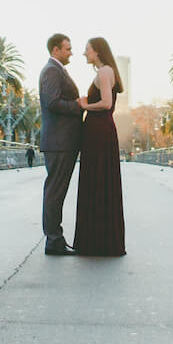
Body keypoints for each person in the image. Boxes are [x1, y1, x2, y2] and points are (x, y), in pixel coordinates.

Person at [73, 36, 126, 257]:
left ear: (97, 51)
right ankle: (99, 240)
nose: (84, 53)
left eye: (87, 49)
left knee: (97, 179)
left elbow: (106, 103)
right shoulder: (104, 72)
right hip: (99, 131)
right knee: (99, 180)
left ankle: (96, 241)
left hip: (99, 131)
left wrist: (85, 104)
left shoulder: (104, 72)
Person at [38, 33, 83, 256]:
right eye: (68, 49)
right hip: (59, 141)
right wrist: (78, 105)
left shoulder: (57, 70)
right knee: (55, 192)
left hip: (62, 141)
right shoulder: (51, 71)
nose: (71, 52)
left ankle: (55, 238)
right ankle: (53, 240)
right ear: (56, 50)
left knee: (56, 192)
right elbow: (52, 102)